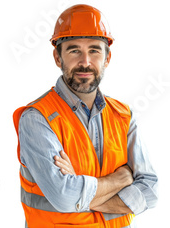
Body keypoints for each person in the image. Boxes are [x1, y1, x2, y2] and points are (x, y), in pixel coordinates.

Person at [13, 4, 158, 228]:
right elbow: (64, 197)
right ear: (58, 57)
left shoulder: (123, 115)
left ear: (107, 58)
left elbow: (150, 190)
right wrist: (120, 180)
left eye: (94, 50)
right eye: (74, 50)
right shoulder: (37, 118)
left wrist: (82, 196)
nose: (85, 62)